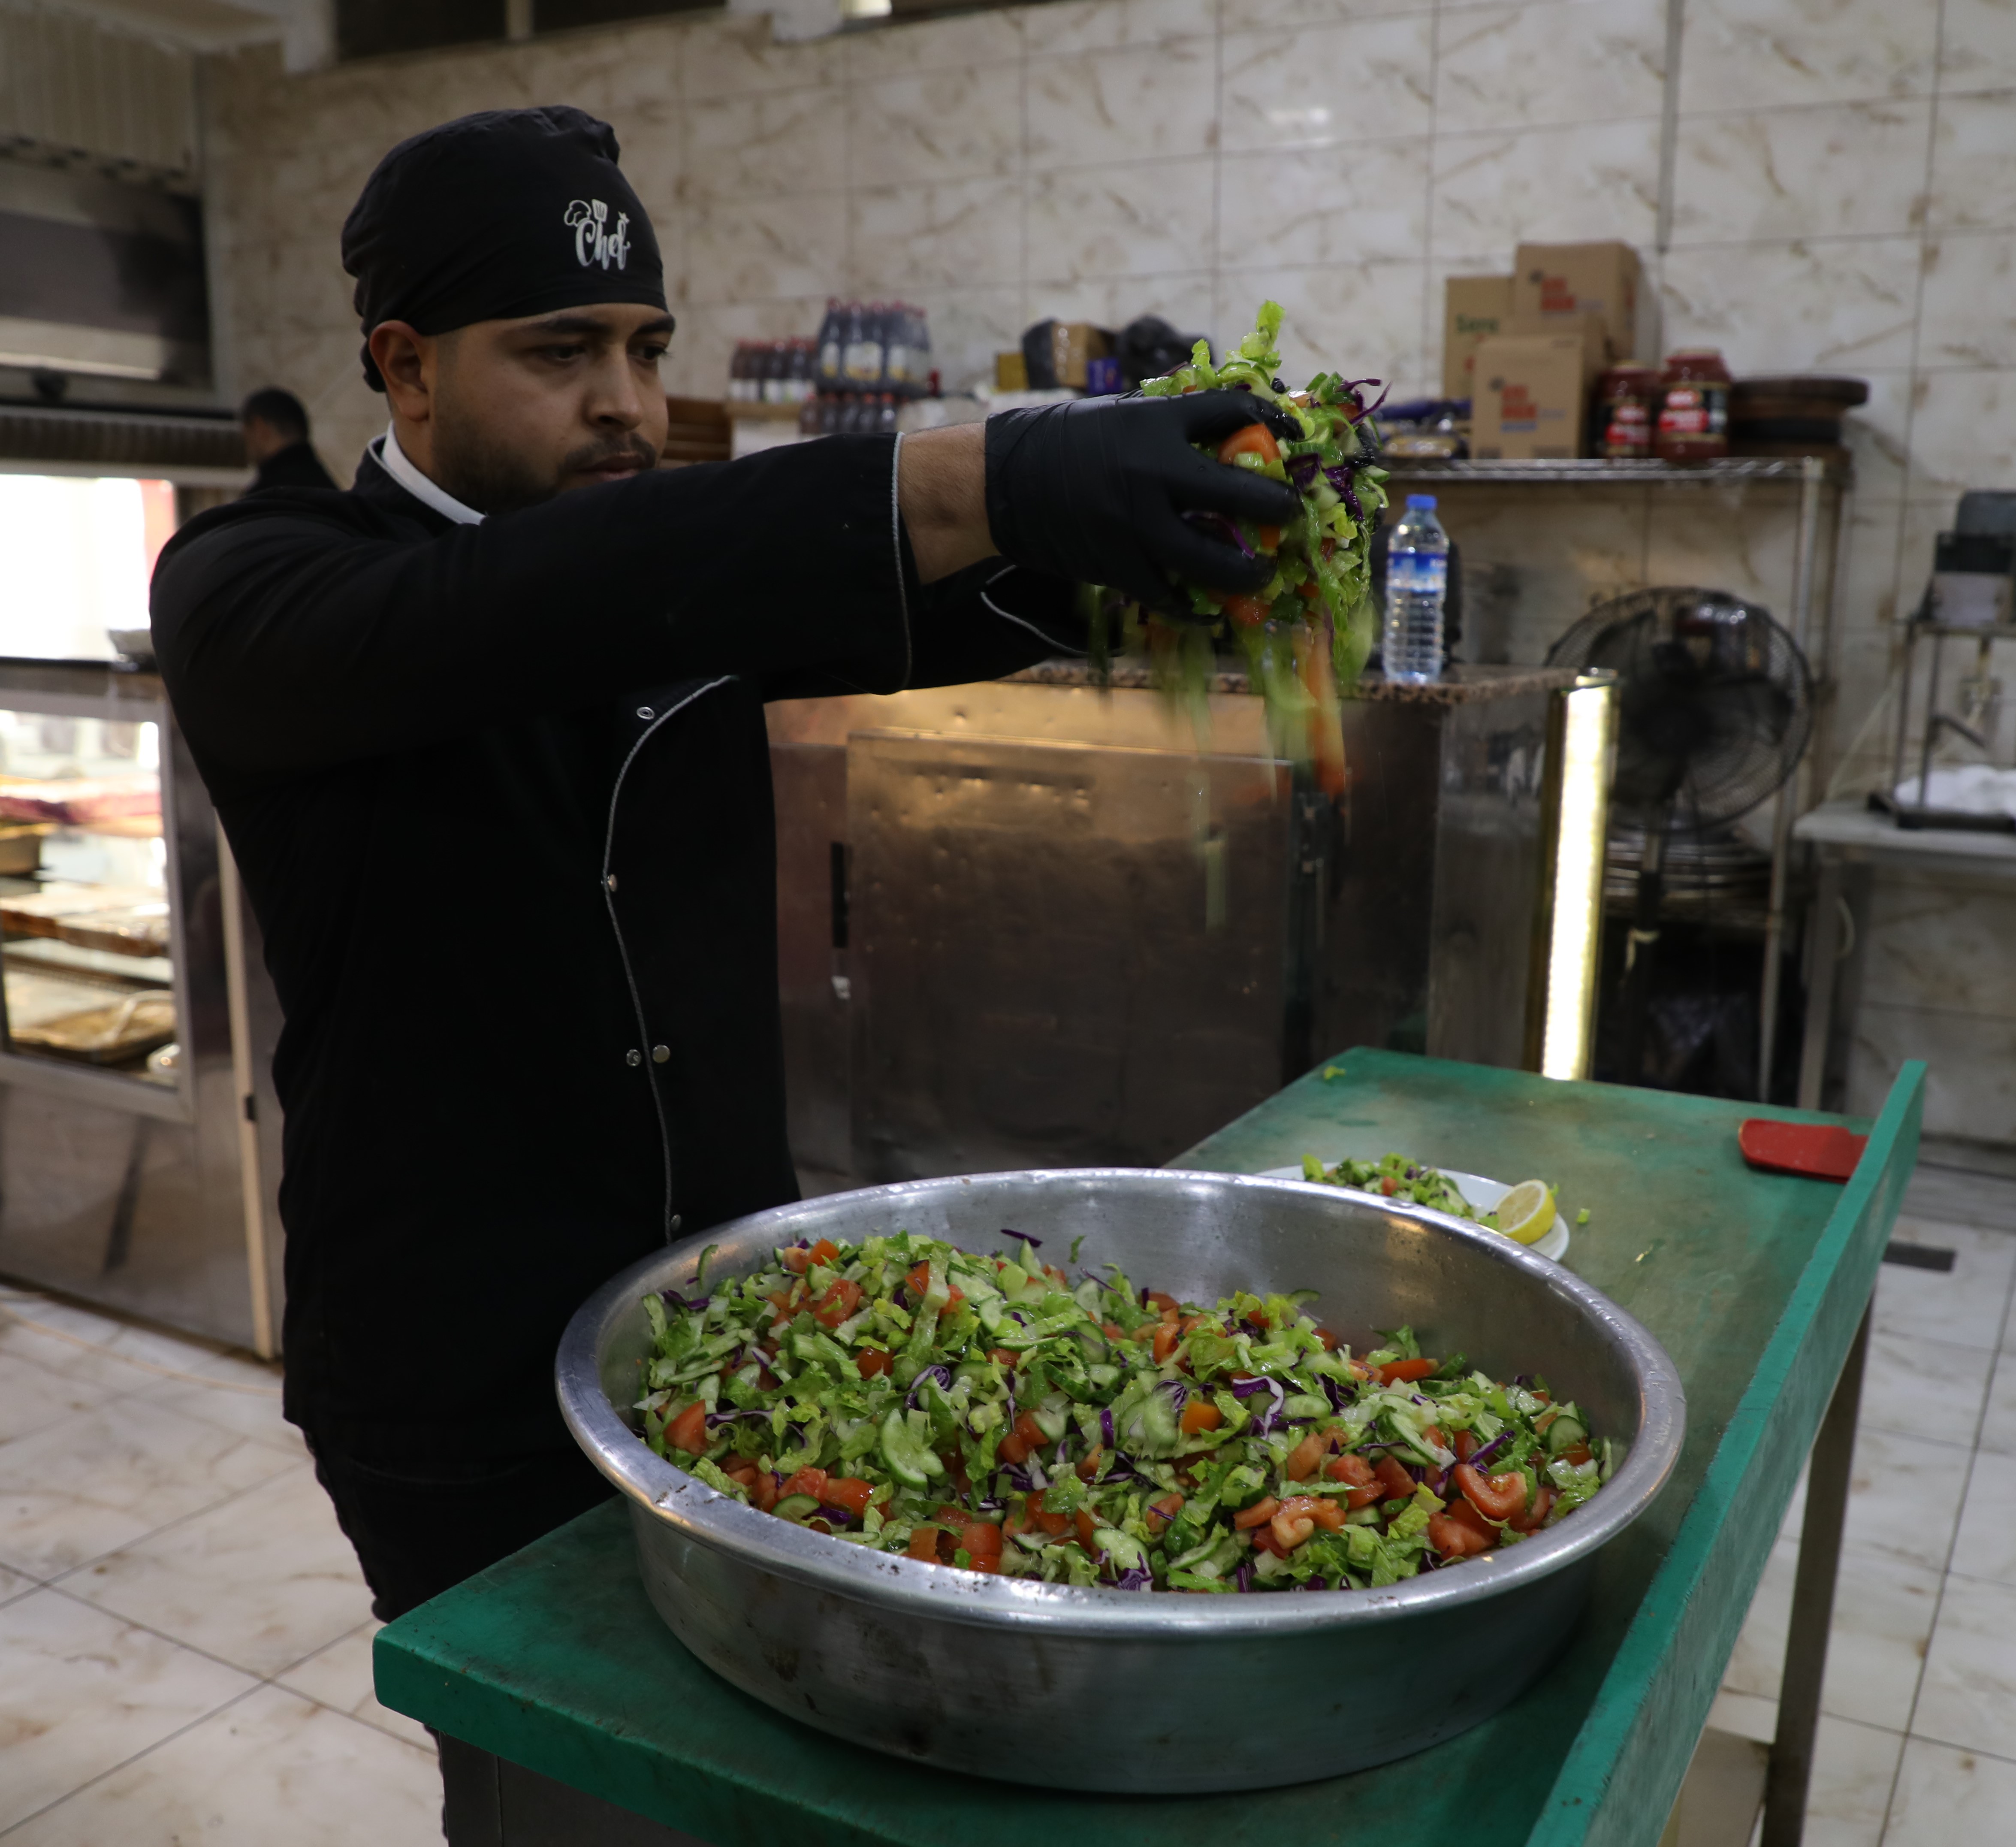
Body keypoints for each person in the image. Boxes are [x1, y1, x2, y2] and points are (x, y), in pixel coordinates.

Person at [149, 108, 1292, 1634]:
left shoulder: (665, 568)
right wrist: (986, 475)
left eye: (646, 347)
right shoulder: (263, 585)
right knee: (544, 1812)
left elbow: (856, 588)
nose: (628, 404)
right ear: (408, 366)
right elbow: (536, 608)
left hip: (729, 1334)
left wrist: (1158, 536)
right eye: (562, 353)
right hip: (452, 1385)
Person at [237, 385, 341, 491]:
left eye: (246, 436)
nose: (246, 445)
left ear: (260, 428)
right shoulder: (330, 491)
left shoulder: (266, 496)